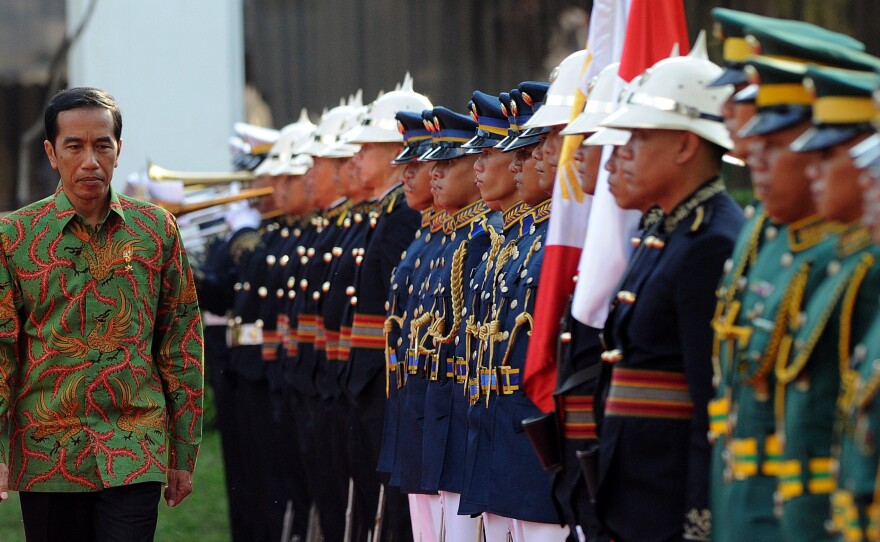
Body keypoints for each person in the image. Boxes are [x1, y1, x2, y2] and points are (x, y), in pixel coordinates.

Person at [0, 87, 204, 541]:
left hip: (134, 444)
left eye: (102, 145)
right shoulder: (14, 236)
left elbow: (180, 341)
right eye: (74, 146)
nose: (90, 160)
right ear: (52, 153)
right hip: (48, 448)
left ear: (118, 149)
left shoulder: (156, 230)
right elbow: (2, 350)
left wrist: (184, 452)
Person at [594, 46, 743, 541]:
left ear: (683, 146)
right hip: (635, 487)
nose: (619, 155)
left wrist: (699, 518)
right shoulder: (664, 229)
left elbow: (711, 404)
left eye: (637, 138)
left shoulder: (711, 241)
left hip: (669, 498)